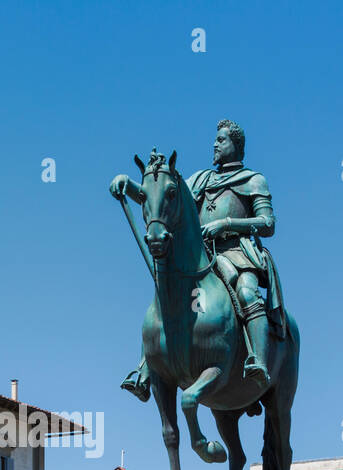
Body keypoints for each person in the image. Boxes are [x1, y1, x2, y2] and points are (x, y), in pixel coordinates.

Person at [114, 118, 285, 399]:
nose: (215, 144)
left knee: (246, 292)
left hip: (237, 253)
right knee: (167, 293)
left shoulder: (253, 180)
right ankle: (145, 368)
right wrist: (130, 186)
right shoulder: (200, 179)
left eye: (222, 140)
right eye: (215, 140)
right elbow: (163, 196)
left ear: (236, 145)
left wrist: (227, 223)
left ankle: (258, 361)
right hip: (202, 255)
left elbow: (268, 223)